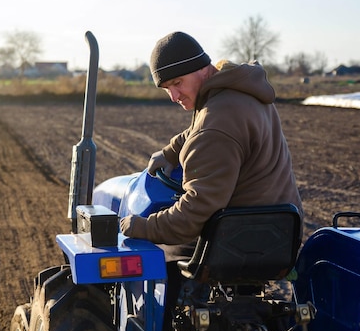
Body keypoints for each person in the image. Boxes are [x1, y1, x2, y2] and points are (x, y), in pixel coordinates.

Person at [119, 31, 303, 256]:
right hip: (281, 230)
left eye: (178, 83)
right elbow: (203, 130)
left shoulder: (215, 125)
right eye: (167, 88)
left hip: (240, 241)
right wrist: (172, 151)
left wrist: (142, 226)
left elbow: (191, 217)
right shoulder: (240, 92)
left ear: (203, 69)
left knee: (154, 251)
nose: (174, 96)